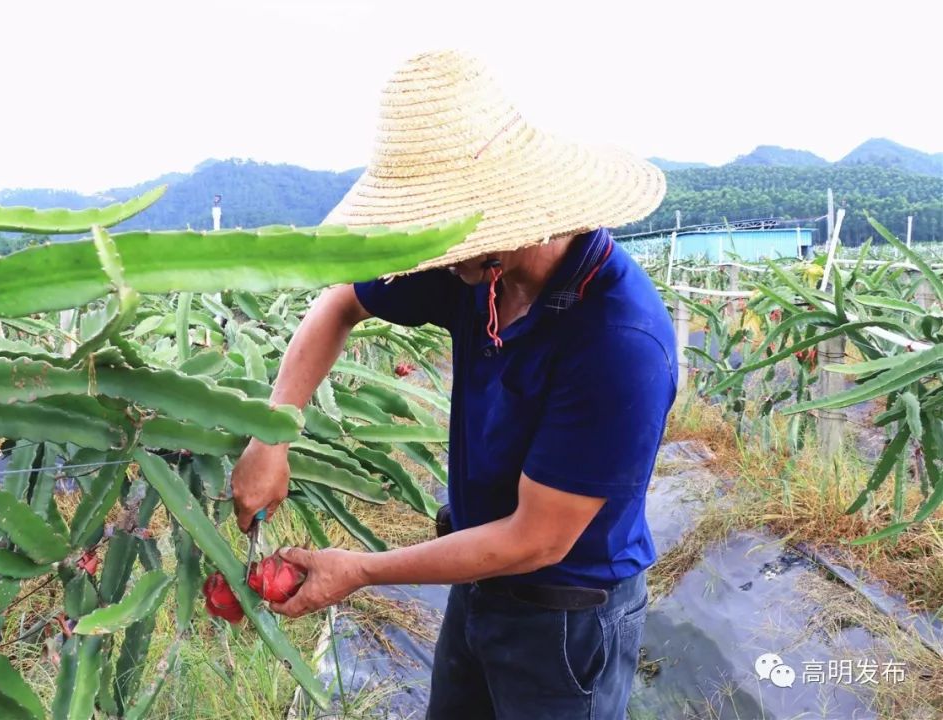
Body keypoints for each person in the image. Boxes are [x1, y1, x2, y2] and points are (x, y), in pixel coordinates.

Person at [231, 49, 676, 719]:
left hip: (564, 617)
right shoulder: (473, 264)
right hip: (476, 580)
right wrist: (273, 438)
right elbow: (337, 304)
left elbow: (536, 539)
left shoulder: (619, 341)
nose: (424, 256)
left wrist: (361, 569)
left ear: (507, 220)